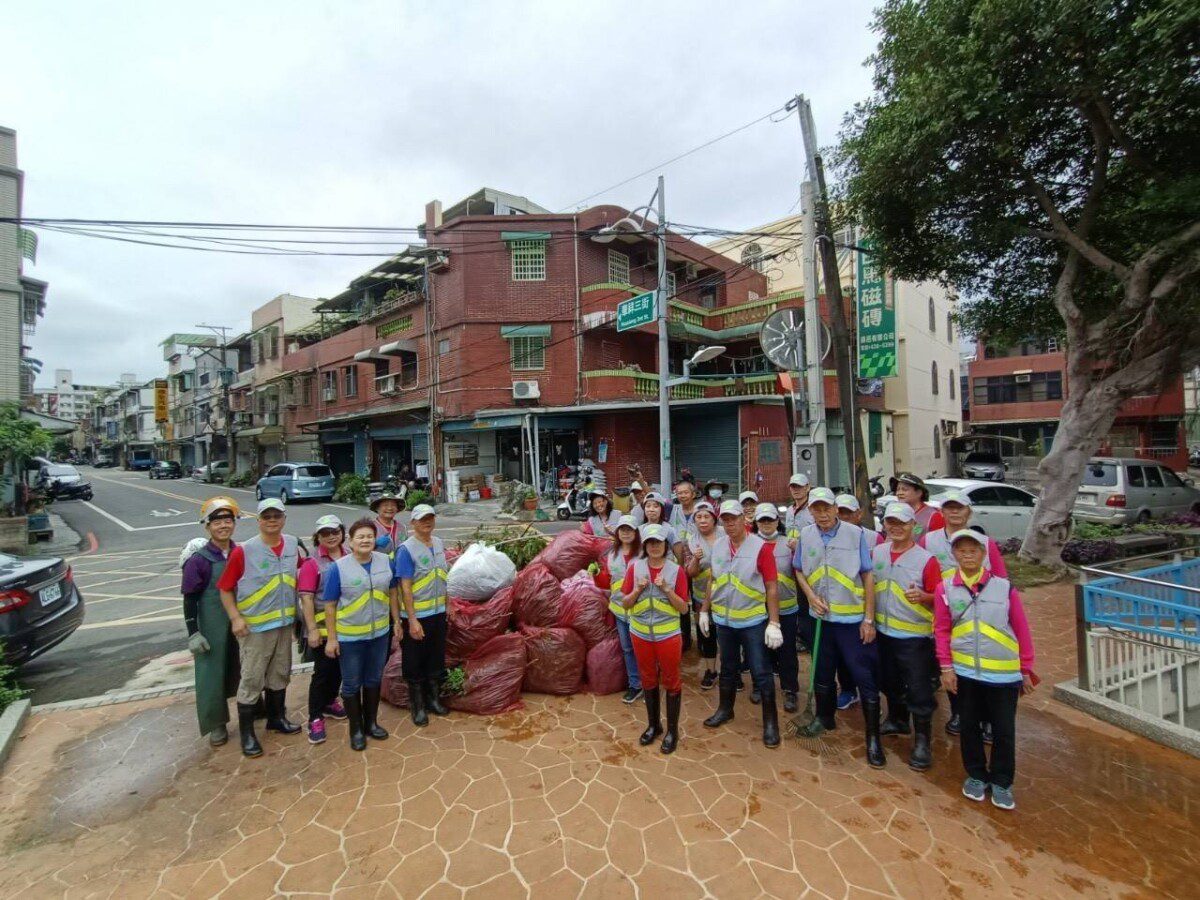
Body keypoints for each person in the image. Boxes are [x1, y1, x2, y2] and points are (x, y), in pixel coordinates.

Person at [935, 529, 1036, 810]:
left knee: (1003, 729)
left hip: (1003, 674)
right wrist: (946, 667)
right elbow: (941, 629)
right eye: (962, 550)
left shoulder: (1004, 588)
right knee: (969, 726)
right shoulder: (945, 588)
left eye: (973, 550)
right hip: (965, 672)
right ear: (954, 554)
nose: (967, 555)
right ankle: (976, 775)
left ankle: (1002, 781)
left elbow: (1021, 628)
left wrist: (1025, 668)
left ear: (984, 554)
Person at [794, 488, 885, 767]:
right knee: (822, 671)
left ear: (835, 508)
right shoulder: (806, 534)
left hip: (851, 621)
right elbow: (799, 569)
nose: (822, 514)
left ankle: (873, 738)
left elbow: (867, 575)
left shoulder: (855, 534)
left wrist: (868, 619)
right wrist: (811, 597)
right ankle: (824, 718)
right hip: (820, 618)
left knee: (863, 676)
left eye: (826, 508)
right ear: (810, 511)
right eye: (816, 509)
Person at [217, 498, 303, 758]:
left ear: (284, 519)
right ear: (258, 520)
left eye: (277, 516)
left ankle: (276, 718)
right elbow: (225, 588)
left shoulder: (292, 544)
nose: (272, 520)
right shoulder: (244, 551)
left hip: (284, 623)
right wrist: (235, 618)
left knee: (280, 672)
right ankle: (247, 734)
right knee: (252, 678)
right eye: (267, 516)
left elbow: (302, 576)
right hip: (255, 628)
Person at [920, 489, 1007, 736]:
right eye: (949, 507)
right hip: (945, 613)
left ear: (969, 511)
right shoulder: (928, 541)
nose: (954, 512)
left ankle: (987, 718)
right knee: (952, 663)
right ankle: (959, 712)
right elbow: (922, 573)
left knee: (983, 664)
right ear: (941, 511)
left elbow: (1002, 579)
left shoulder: (985, 543)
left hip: (982, 614)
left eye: (959, 507)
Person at [699, 499, 783, 748]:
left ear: (744, 520)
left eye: (733, 518)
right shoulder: (719, 545)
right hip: (725, 621)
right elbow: (714, 579)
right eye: (725, 519)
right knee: (727, 668)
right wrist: (704, 610)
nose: (729, 523)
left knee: (761, 670)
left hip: (752, 621)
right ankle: (725, 710)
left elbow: (771, 586)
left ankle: (771, 723)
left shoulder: (760, 547)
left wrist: (774, 623)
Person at [872, 502, 943, 771]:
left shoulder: (926, 560)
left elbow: (941, 598)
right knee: (888, 679)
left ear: (913, 525)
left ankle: (923, 740)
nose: (896, 528)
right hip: (883, 631)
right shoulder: (877, 552)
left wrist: (924, 597)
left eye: (902, 523)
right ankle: (897, 719)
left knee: (918, 686)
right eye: (891, 522)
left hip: (914, 636)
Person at [321, 518, 396, 750]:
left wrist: (397, 623)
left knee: (374, 679)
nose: (365, 540)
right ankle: (356, 730)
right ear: (350, 541)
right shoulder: (338, 568)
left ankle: (371, 723)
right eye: (360, 537)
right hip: (350, 638)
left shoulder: (385, 561)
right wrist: (332, 638)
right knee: (352, 683)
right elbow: (330, 605)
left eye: (369, 536)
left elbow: (393, 593)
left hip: (379, 634)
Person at [620, 524, 690, 754]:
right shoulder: (635, 568)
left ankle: (672, 731)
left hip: (667, 635)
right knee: (648, 678)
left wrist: (667, 590)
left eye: (658, 542)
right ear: (644, 545)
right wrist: (638, 590)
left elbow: (684, 609)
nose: (654, 547)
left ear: (665, 545)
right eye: (650, 543)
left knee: (671, 680)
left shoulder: (676, 571)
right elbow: (625, 603)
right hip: (640, 634)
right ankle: (654, 726)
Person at [180, 497, 241, 747]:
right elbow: (190, 598)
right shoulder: (199, 560)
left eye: (228, 520)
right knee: (211, 673)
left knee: (245, 665)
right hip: (211, 624)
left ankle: (254, 706)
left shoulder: (240, 552)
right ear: (207, 526)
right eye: (217, 522)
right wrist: (193, 632)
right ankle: (217, 723)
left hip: (241, 619)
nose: (223, 526)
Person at [393, 504, 450, 727]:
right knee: (414, 661)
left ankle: (433, 700)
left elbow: (443, 577)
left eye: (430, 518)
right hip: (417, 616)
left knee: (435, 657)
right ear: (413, 523)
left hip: (438, 613)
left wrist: (448, 605)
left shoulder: (438, 543)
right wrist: (412, 620)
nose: (427, 522)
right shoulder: (406, 550)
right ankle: (417, 707)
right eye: (422, 519)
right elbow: (405, 588)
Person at [297, 514, 349, 744]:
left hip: (346, 626)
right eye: (325, 533)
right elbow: (307, 598)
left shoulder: (350, 555)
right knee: (323, 672)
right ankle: (315, 717)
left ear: (342, 533)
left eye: (335, 531)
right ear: (317, 537)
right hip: (322, 628)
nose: (331, 536)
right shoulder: (312, 563)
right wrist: (312, 630)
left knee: (338, 669)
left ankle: (329, 702)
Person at [753, 503, 802, 714]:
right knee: (759, 650)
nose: (766, 523)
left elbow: (803, 570)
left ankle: (790, 689)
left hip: (786, 607)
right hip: (758, 608)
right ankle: (760, 686)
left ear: (777, 521)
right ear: (756, 522)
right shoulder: (750, 544)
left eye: (770, 519)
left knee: (787, 651)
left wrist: (798, 551)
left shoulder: (788, 544)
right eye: (762, 520)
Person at [592, 515, 643, 704]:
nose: (626, 533)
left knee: (644, 648)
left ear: (636, 533)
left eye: (630, 530)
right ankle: (635, 685)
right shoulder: (612, 555)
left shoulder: (644, 554)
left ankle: (650, 684)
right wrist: (597, 574)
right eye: (622, 530)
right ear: (618, 533)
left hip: (641, 610)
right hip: (620, 610)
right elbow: (608, 582)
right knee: (628, 648)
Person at [685, 502, 720, 689]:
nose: (703, 520)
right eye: (698, 517)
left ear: (714, 519)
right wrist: (696, 559)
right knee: (708, 634)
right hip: (701, 596)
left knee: (728, 634)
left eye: (707, 516)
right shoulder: (691, 541)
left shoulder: (726, 535)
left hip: (726, 595)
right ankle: (711, 670)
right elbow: (690, 573)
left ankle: (733, 671)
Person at [891, 472, 943, 539]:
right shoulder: (894, 513)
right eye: (898, 490)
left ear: (919, 493)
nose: (899, 493)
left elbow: (938, 542)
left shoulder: (933, 516)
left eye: (904, 489)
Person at [640, 492, 685, 562]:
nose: (651, 509)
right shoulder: (639, 530)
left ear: (662, 509)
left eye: (655, 506)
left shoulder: (669, 529)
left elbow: (680, 557)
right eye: (648, 506)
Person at [783, 474, 815, 545]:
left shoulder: (814, 509)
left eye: (799, 486)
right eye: (793, 486)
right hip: (790, 550)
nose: (796, 490)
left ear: (808, 487)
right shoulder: (789, 510)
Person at [668, 479, 701, 544]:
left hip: (697, 549)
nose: (683, 496)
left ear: (693, 494)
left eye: (686, 492)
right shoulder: (672, 509)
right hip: (676, 549)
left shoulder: (701, 511)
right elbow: (656, 500)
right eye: (680, 493)